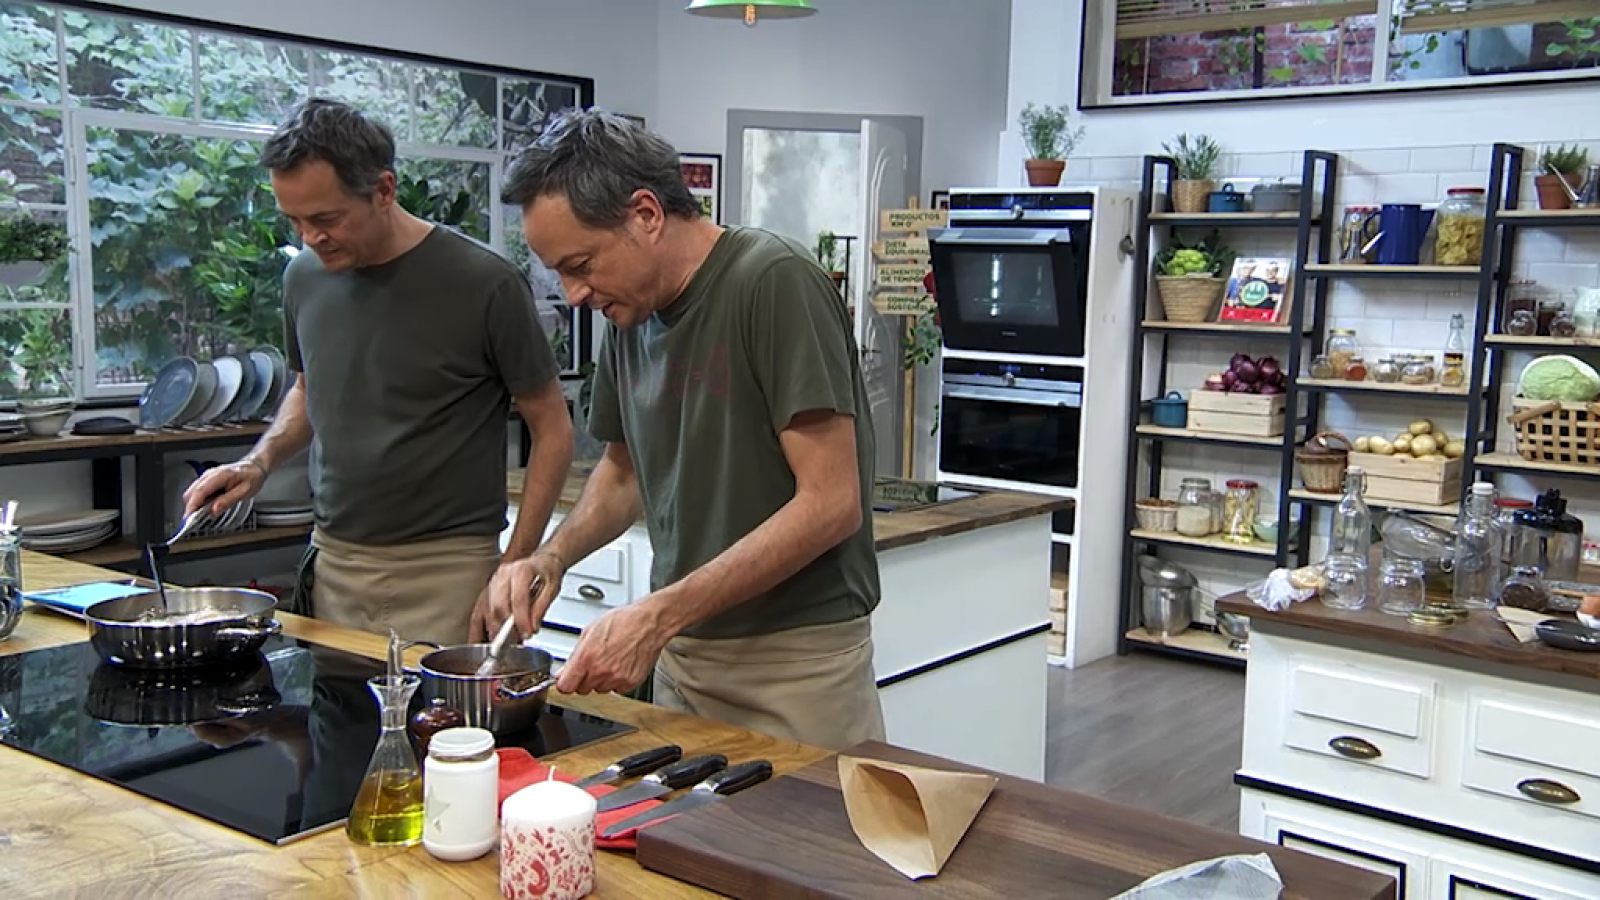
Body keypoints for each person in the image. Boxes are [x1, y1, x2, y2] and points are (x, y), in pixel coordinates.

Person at [488, 108, 885, 752]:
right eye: (558, 271)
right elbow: (623, 473)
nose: (575, 292)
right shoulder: (630, 316)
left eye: (580, 262)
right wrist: (551, 557)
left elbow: (832, 504)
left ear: (645, 214)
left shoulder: (772, 281)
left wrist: (658, 614)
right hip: (685, 658)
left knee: (814, 847)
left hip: (796, 666)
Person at [182, 97, 574, 647]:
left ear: (384, 190)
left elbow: (553, 428)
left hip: (451, 572)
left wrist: (513, 566)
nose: (310, 237)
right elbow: (309, 388)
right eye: (293, 220)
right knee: (338, 730)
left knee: (449, 732)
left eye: (326, 218)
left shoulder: (485, 283)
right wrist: (259, 462)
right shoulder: (303, 279)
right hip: (334, 563)